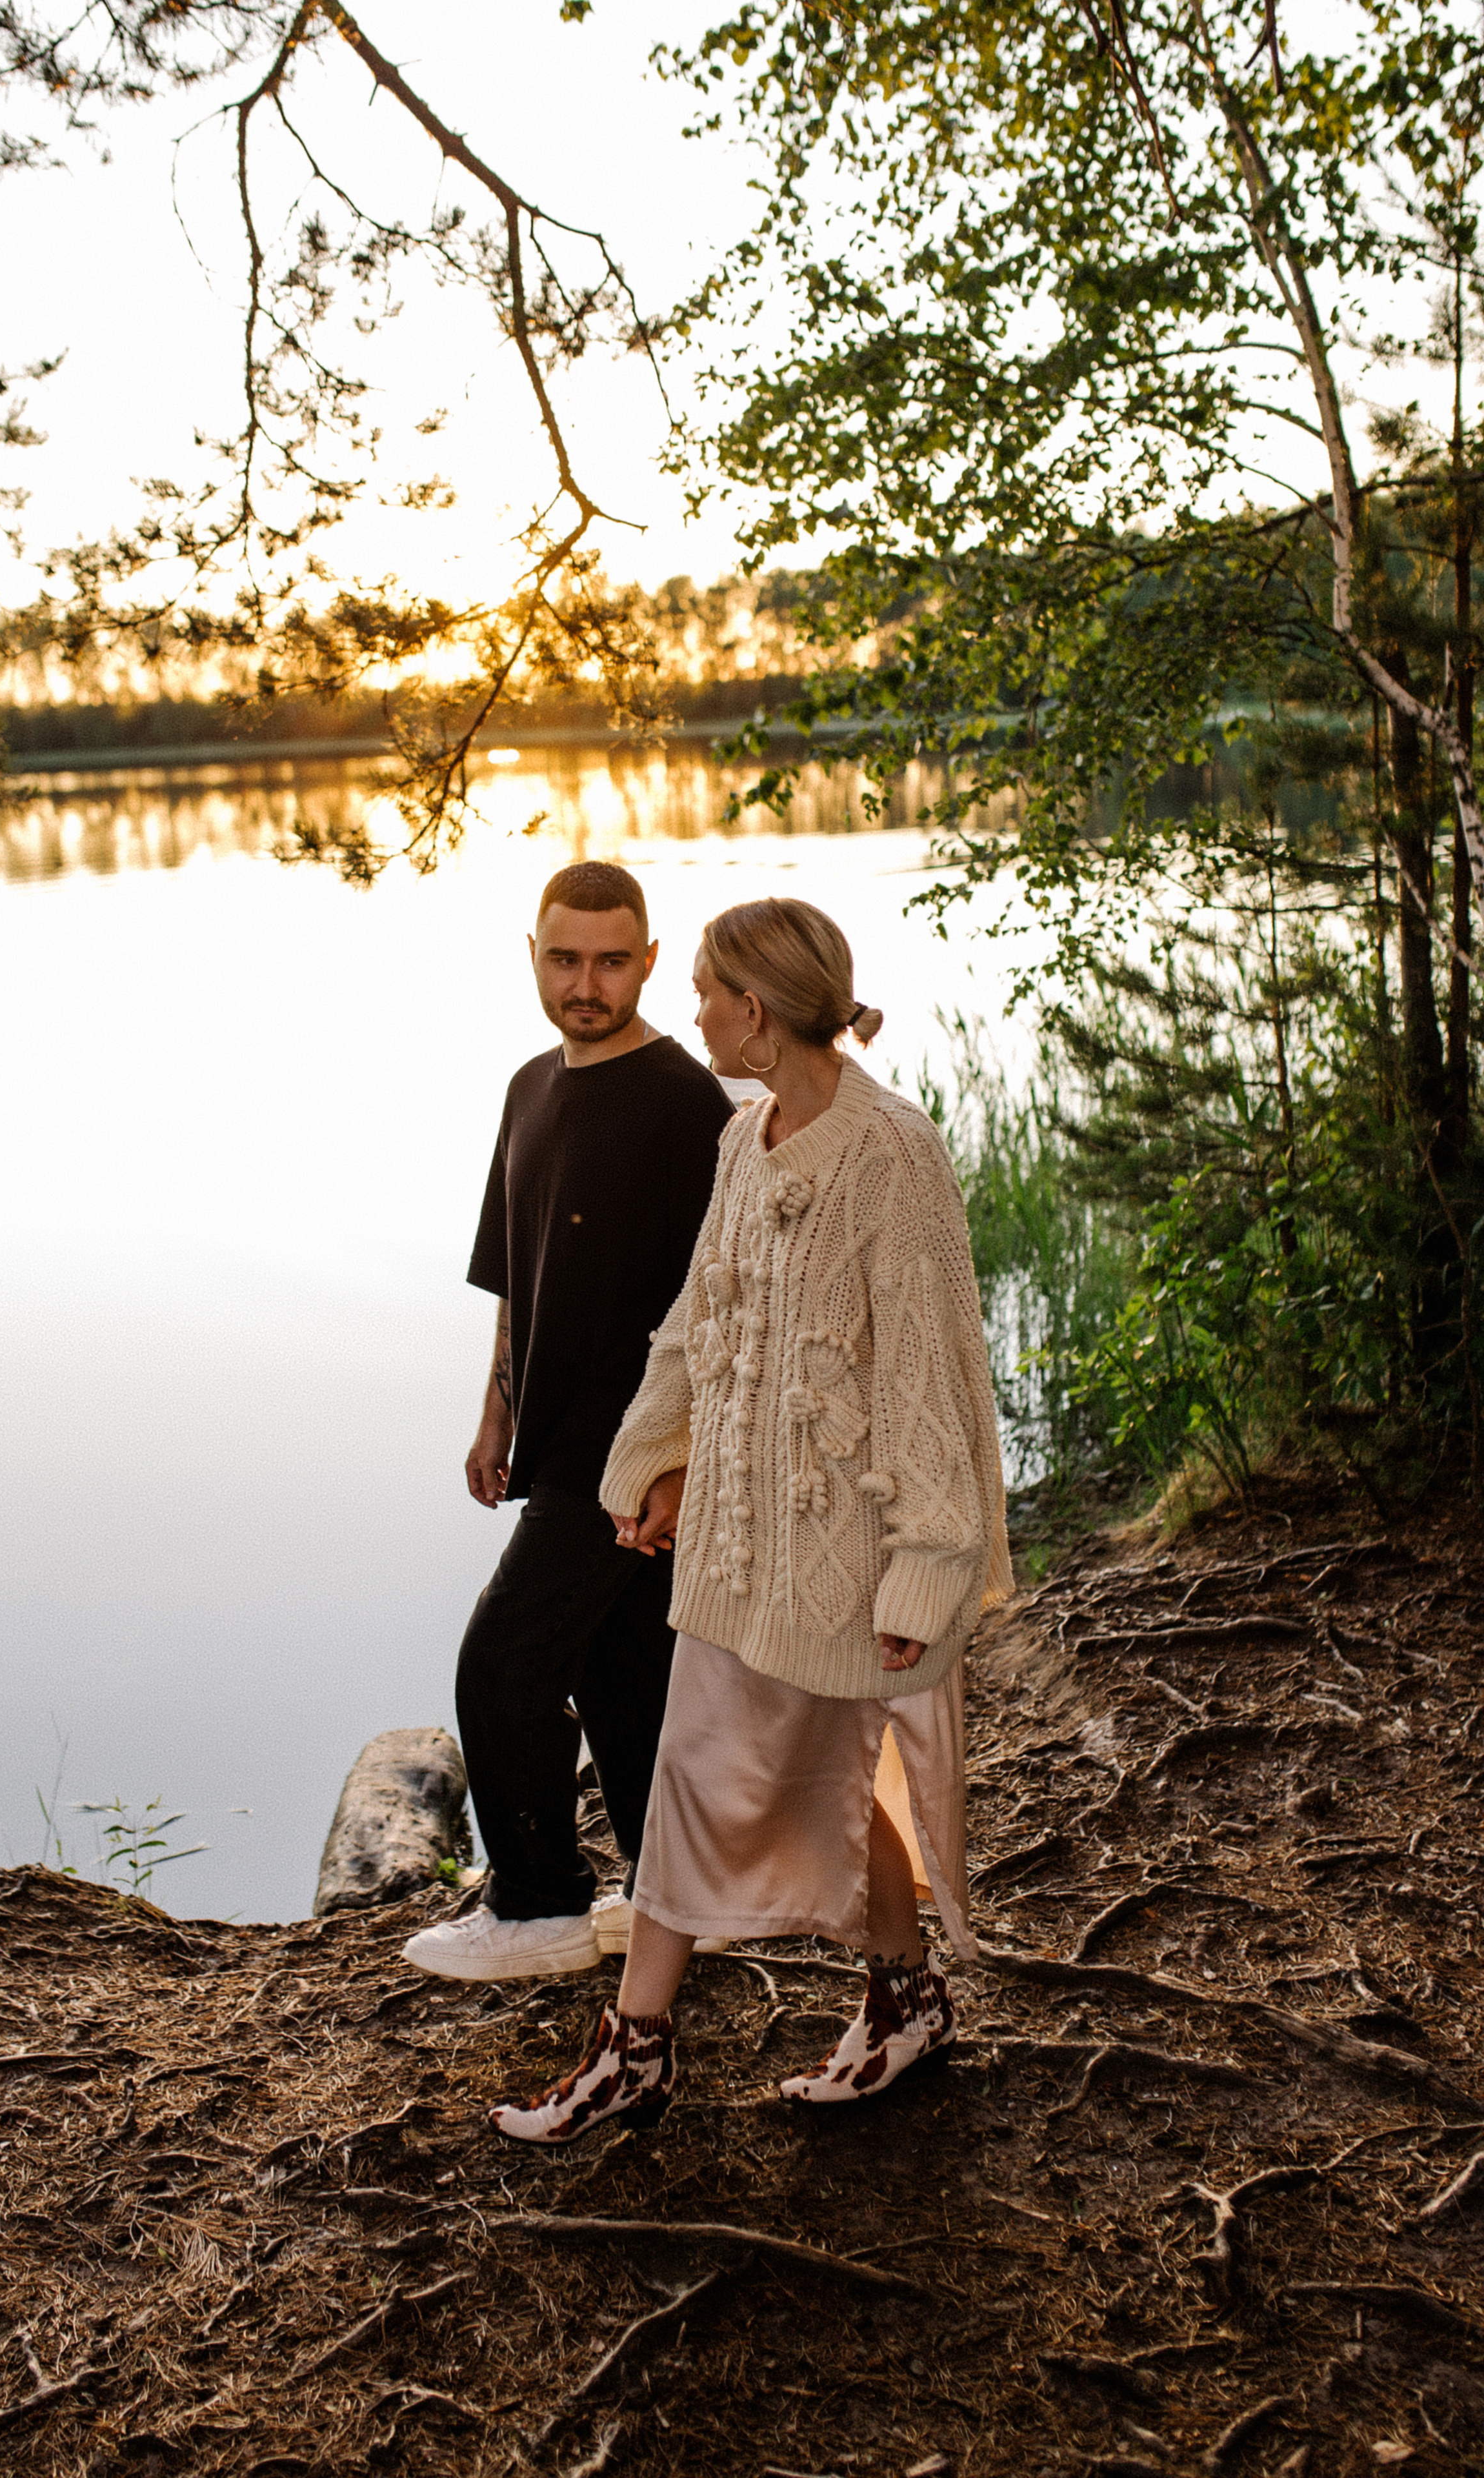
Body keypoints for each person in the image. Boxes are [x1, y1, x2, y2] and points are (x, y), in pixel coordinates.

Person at [488, 895, 1012, 2137]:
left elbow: (933, 1376)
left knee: (747, 1772)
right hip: (738, 1543)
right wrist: (651, 1459)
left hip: (850, 1555)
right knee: (717, 1769)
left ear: (759, 1011)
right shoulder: (744, 1138)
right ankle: (874, 2004)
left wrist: (927, 1576)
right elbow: (698, 1321)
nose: (694, 1012)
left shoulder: (892, 1155)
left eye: (709, 990)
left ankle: (654, 2046)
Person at [403, 861, 735, 1983]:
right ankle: (665, 1890)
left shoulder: (689, 1107)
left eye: (609, 960)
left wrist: (682, 1460)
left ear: (647, 959)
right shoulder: (529, 1088)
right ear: (534, 957)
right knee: (624, 1668)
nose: (585, 982)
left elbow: (728, 1302)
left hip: (630, 1445)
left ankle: (540, 1900)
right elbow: (515, 1275)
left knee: (503, 1659)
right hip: (553, 1439)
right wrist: (493, 1416)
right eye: (564, 958)